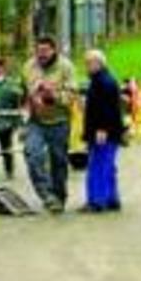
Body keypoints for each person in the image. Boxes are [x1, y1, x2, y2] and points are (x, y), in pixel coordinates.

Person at [21, 36, 77, 213]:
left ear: (54, 50)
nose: (41, 55)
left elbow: (72, 95)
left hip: (59, 121)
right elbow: (21, 94)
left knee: (58, 161)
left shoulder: (66, 67)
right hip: (35, 121)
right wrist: (22, 118)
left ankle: (59, 197)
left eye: (45, 51)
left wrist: (52, 96)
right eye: (39, 51)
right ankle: (47, 195)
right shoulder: (28, 66)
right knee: (32, 154)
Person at [81, 50, 126, 213]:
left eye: (89, 63)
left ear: (98, 63)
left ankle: (97, 201)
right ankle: (112, 198)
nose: (86, 66)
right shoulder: (103, 80)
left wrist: (102, 129)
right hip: (110, 131)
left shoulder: (103, 82)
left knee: (98, 165)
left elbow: (106, 109)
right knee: (107, 165)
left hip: (103, 131)